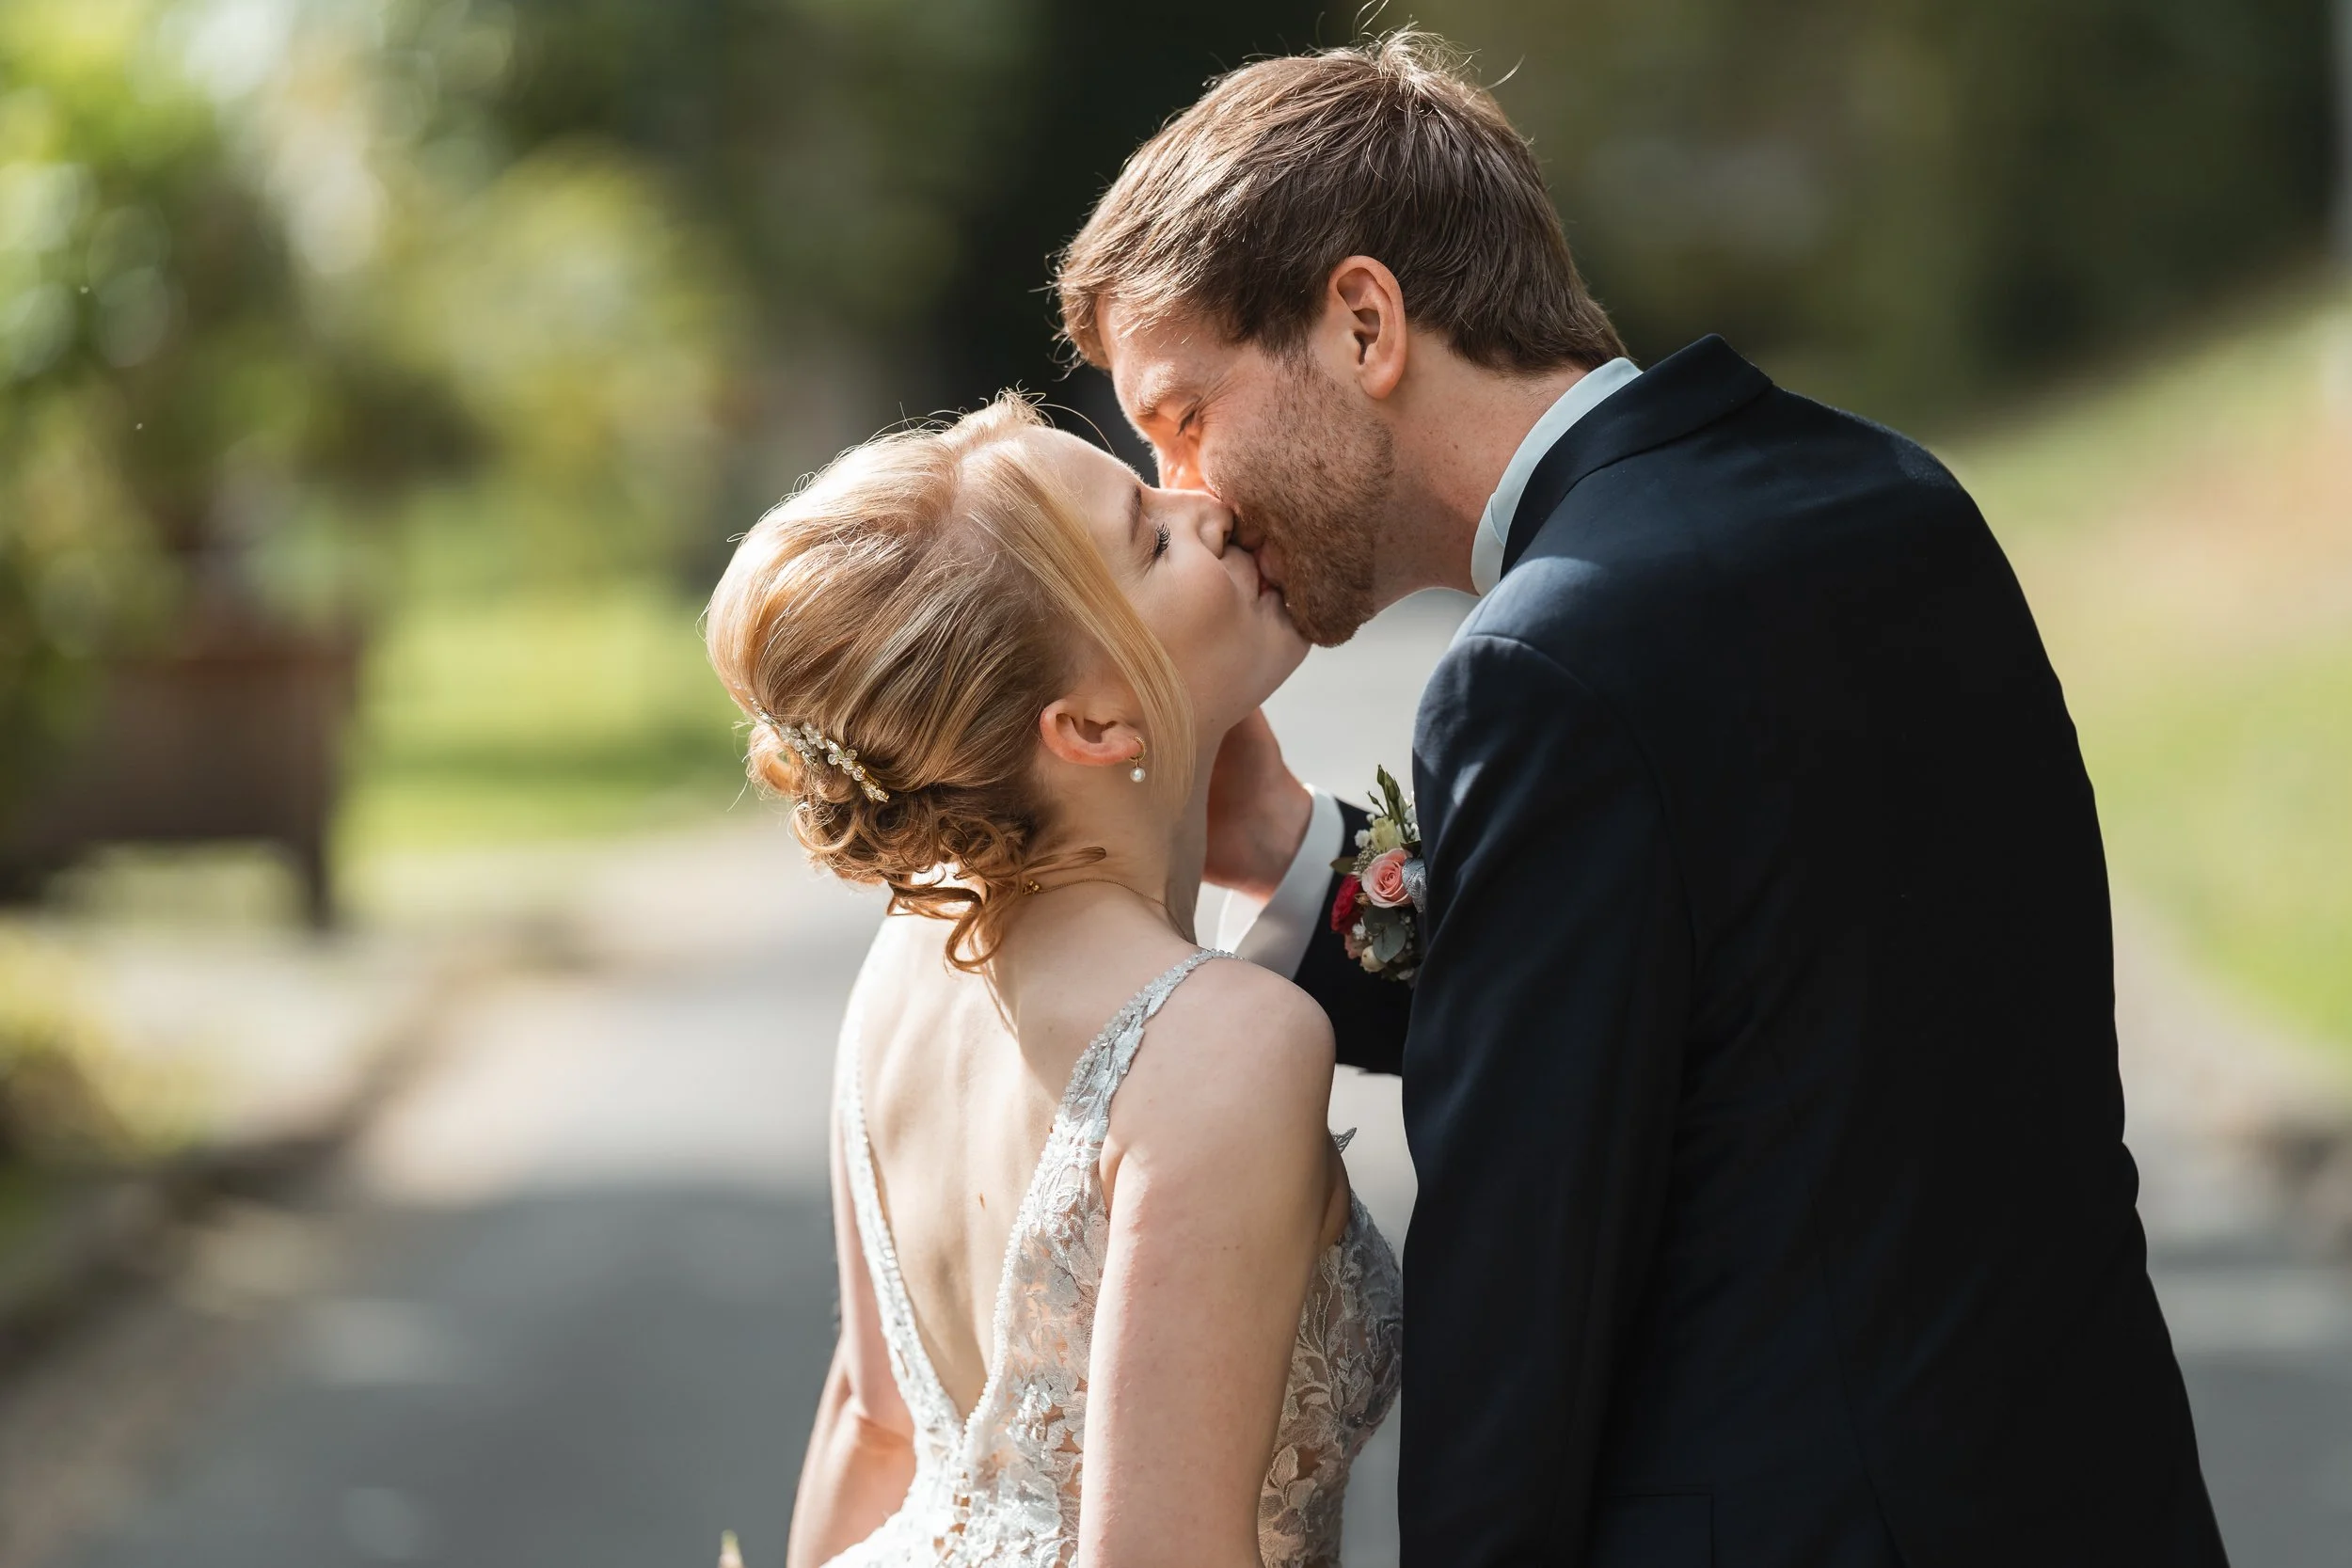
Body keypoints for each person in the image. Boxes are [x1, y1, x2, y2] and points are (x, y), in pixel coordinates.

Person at [1054, 30, 2229, 1568]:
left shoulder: (1553, 660)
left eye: (1186, 410)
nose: (1187, 485)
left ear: (1361, 322)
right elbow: (1734, 997)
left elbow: (1520, 1320)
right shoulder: (1890, 497)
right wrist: (1285, 847)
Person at [705, 395, 1401, 1567]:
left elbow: (875, 1432)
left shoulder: (908, 953)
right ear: (1085, 720)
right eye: (1153, 536)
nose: (1210, 508)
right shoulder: (1225, 1043)